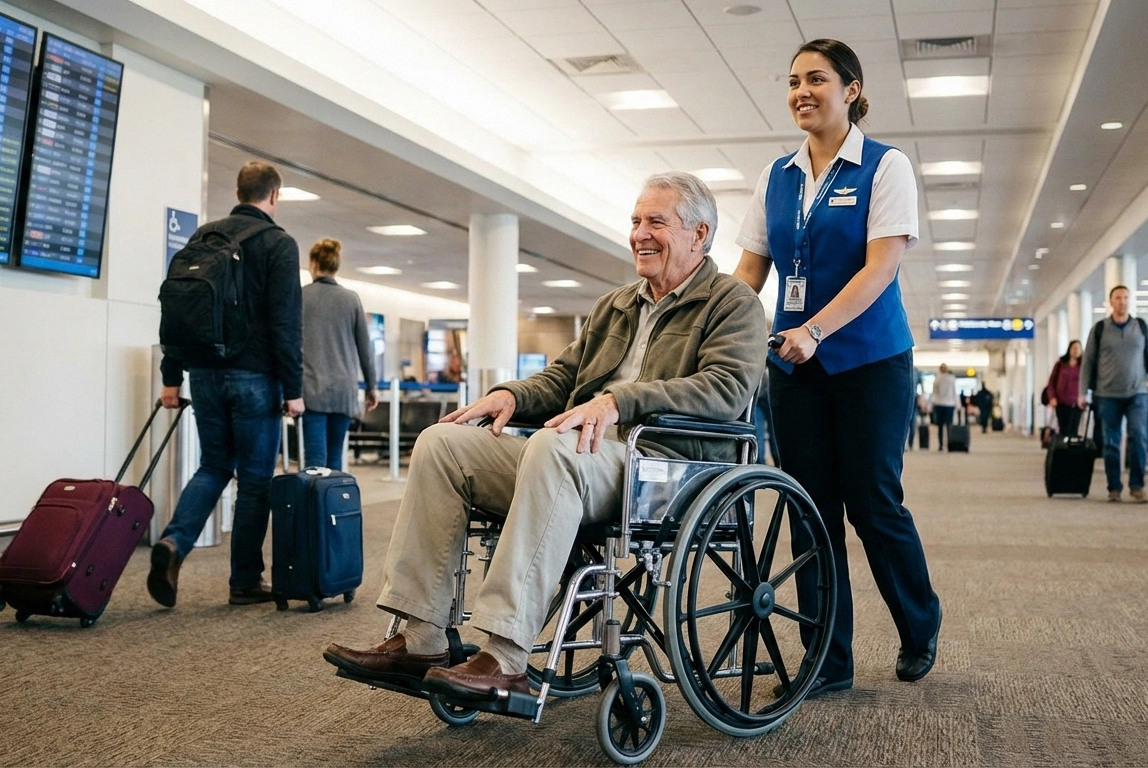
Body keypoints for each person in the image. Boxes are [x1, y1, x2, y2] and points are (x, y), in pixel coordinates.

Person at [321, 172, 767, 700]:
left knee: (554, 448)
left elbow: (724, 389)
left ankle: (506, 655)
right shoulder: (616, 305)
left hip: (661, 465)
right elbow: (563, 378)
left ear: (700, 234)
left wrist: (620, 401)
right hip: (579, 454)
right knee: (442, 443)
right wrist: (511, 396)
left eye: (656, 222)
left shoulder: (732, 303)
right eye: (635, 221)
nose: (639, 234)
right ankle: (420, 637)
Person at [732, 38, 941, 694]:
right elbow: (749, 272)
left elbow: (881, 267)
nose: (801, 91)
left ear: (850, 90)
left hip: (870, 360)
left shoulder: (884, 166)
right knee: (809, 510)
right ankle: (827, 658)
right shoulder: (777, 177)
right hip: (795, 368)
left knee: (873, 502)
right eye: (794, 80)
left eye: (816, 79)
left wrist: (817, 329)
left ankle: (919, 624)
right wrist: (713, 323)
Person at [151, 162, 304, 607]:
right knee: (255, 482)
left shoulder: (202, 238)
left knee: (214, 466)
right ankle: (245, 581)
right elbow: (285, 324)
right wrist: (293, 389)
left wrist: (170, 379)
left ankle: (174, 542)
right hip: (255, 377)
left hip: (203, 374)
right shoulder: (278, 243)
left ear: (238, 192)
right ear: (273, 195)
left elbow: (177, 315)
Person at [1079, 285, 1148, 503]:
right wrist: (1082, 392)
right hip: (1107, 394)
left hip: (1137, 393)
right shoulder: (1100, 329)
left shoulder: (1141, 327)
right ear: (1111, 302)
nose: (1122, 302)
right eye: (1118, 298)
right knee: (1111, 442)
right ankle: (1114, 487)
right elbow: (1088, 362)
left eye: (1126, 298)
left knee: (1139, 437)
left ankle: (1137, 485)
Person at [301, 237, 378, 470]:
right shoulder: (351, 299)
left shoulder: (300, 296)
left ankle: (314, 496)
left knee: (315, 461)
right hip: (344, 392)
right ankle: (334, 494)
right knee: (335, 459)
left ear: (314, 264)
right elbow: (365, 348)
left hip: (311, 390)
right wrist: (371, 386)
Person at [1047, 340, 1084, 437]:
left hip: (1077, 404)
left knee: (1074, 430)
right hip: (1061, 403)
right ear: (1069, 349)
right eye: (1073, 348)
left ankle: (1071, 446)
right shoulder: (1060, 364)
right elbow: (1051, 382)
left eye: (1078, 348)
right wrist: (1052, 397)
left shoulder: (1083, 366)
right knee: (1063, 430)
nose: (1076, 350)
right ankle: (1062, 445)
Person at [931, 363, 957, 450]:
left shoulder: (937, 379)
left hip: (939, 404)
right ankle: (950, 444)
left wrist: (931, 404)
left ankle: (941, 445)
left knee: (940, 426)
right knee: (949, 426)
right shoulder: (951, 378)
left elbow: (934, 393)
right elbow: (954, 392)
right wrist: (957, 404)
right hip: (949, 404)